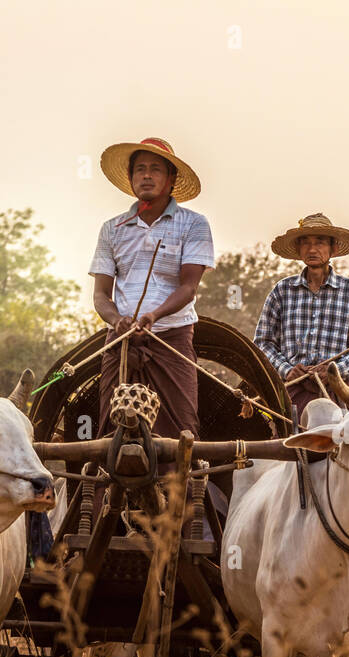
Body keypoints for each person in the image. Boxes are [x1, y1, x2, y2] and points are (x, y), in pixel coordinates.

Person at [89, 136, 214, 443]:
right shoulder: (111, 228)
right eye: (140, 169)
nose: (146, 175)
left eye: (155, 169)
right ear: (131, 179)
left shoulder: (194, 224)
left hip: (172, 337)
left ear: (171, 180)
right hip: (120, 341)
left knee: (182, 429)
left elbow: (189, 287)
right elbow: (100, 295)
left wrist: (154, 316)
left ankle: (183, 487)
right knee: (109, 431)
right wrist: (118, 321)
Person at [254, 213, 349, 421]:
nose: (312, 249)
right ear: (299, 250)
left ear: (333, 249)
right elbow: (263, 343)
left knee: (340, 447)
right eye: (306, 243)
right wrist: (288, 370)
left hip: (336, 394)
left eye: (319, 242)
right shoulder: (282, 290)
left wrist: (334, 372)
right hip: (290, 391)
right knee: (285, 446)